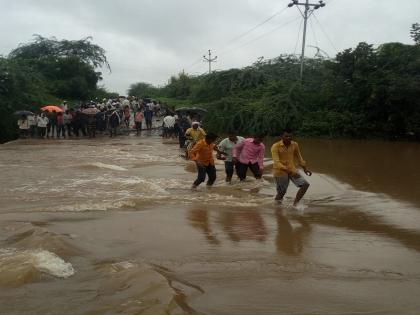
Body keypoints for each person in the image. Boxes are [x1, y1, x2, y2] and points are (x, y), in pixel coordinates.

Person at [271, 129, 312, 206]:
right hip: (280, 172)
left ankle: (295, 204)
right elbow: (276, 163)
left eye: (290, 136)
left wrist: (305, 168)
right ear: (282, 136)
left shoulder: (295, 144)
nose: (288, 137)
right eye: (286, 136)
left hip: (292, 169)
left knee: (305, 185)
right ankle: (276, 208)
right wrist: (290, 172)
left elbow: (299, 157)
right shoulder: (275, 146)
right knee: (281, 193)